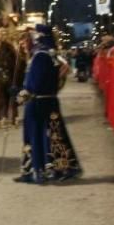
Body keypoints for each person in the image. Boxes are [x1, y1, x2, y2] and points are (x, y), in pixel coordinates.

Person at [14, 25, 81, 184]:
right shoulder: (51, 55)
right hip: (50, 101)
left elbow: (33, 85)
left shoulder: (40, 56)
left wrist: (18, 95)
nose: (25, 42)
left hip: (37, 103)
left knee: (34, 137)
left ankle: (36, 171)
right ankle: (62, 168)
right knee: (55, 137)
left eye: (29, 38)